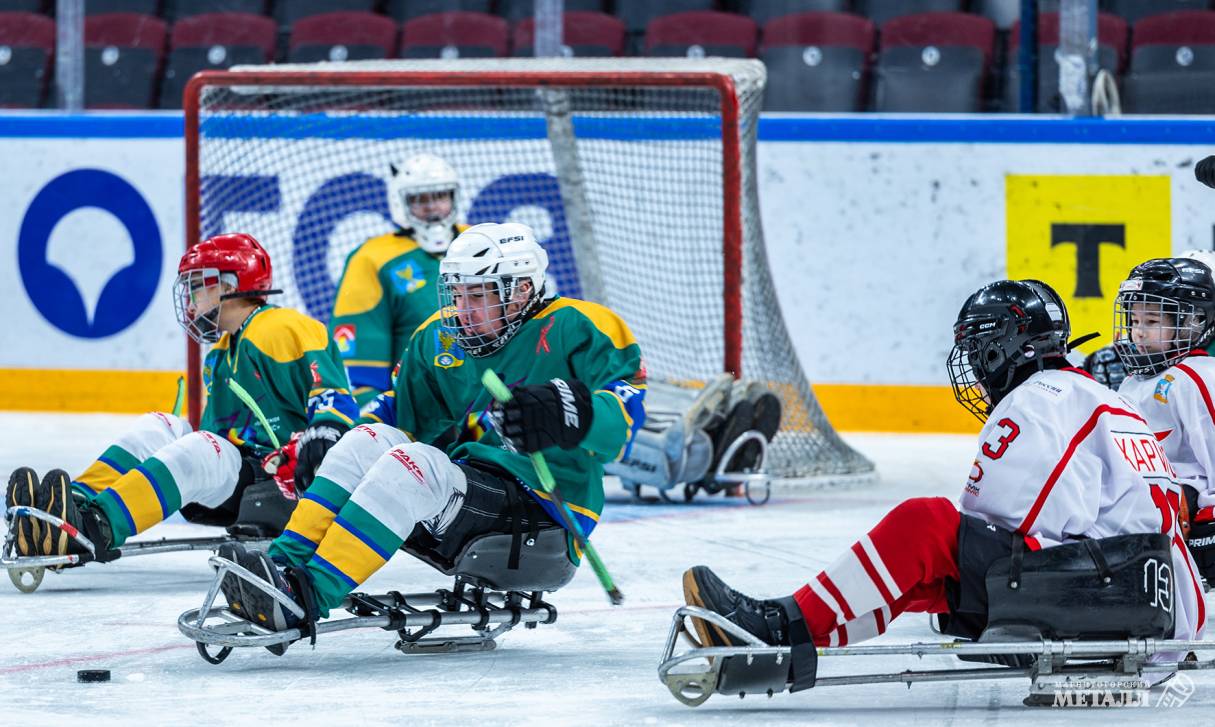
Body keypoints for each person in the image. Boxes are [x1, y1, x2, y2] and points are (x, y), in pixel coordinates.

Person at [680, 279, 1204, 690]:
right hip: (1151, 601)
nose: (973, 364)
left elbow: (1003, 514)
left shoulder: (1040, 398)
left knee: (924, 527)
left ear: (1008, 346)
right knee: (925, 576)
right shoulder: (1091, 394)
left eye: (979, 346)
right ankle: (787, 631)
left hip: (1111, 594)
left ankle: (777, 628)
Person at [216, 222, 646, 644]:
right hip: (474, 494)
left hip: (547, 515)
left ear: (520, 290)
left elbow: (625, 416)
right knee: (367, 440)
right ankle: (279, 570)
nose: (463, 309)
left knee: (416, 465)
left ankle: (306, 595)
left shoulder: (580, 325)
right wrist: (329, 435)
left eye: (477, 295)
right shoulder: (438, 338)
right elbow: (398, 417)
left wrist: (568, 410)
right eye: (457, 294)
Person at [5, 233, 358, 561]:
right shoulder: (221, 354)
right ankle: (74, 504)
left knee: (202, 446)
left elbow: (332, 395)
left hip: (285, 485)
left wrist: (325, 429)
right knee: (162, 425)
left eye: (198, 285)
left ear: (230, 285)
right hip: (247, 478)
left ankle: (95, 525)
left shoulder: (281, 327)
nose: (191, 299)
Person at [329, 153, 468, 407]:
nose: (432, 207)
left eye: (440, 196)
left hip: (483, 398)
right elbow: (359, 361)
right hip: (419, 407)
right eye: (419, 199)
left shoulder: (481, 241)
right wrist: (376, 416)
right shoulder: (371, 258)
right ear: (400, 202)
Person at [1114, 256, 1215, 581]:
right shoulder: (1133, 381)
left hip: (1180, 506)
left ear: (1193, 322)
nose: (1138, 333)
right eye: (1135, 321)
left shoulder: (1196, 378)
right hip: (1141, 501)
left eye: (1153, 322)